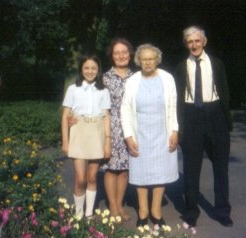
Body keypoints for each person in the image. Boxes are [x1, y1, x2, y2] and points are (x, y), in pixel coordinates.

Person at [175, 26, 233, 228]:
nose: (194, 45)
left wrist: (226, 121)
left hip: (215, 115)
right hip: (191, 117)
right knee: (191, 168)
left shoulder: (217, 64)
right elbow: (177, 99)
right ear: (186, 44)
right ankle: (191, 212)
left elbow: (225, 91)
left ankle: (223, 211)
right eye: (190, 42)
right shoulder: (181, 67)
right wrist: (179, 125)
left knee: (221, 168)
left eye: (197, 41)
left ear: (204, 42)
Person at [121, 44, 179, 227]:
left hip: (162, 132)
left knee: (160, 172)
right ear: (139, 61)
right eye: (144, 59)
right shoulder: (132, 81)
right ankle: (143, 210)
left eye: (151, 59)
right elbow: (126, 109)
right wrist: (128, 136)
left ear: (157, 60)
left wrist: (174, 131)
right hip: (140, 133)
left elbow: (173, 107)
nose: (147, 62)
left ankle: (156, 210)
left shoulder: (167, 78)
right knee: (141, 172)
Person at [61, 54, 111, 219]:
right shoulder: (73, 89)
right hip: (79, 131)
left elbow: (106, 116)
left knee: (91, 177)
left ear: (98, 70)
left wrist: (107, 142)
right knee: (81, 178)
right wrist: (66, 141)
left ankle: (88, 214)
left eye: (93, 68)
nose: (90, 71)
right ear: (81, 70)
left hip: (97, 133)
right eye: (86, 68)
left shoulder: (103, 90)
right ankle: (78, 213)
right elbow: (65, 116)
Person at [101, 38, 134, 221]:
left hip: (130, 128)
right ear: (112, 56)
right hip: (111, 127)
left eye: (124, 52)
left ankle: (120, 204)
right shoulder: (104, 78)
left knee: (125, 169)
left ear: (130, 54)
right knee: (111, 168)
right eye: (117, 53)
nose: (121, 56)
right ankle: (113, 205)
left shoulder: (136, 77)